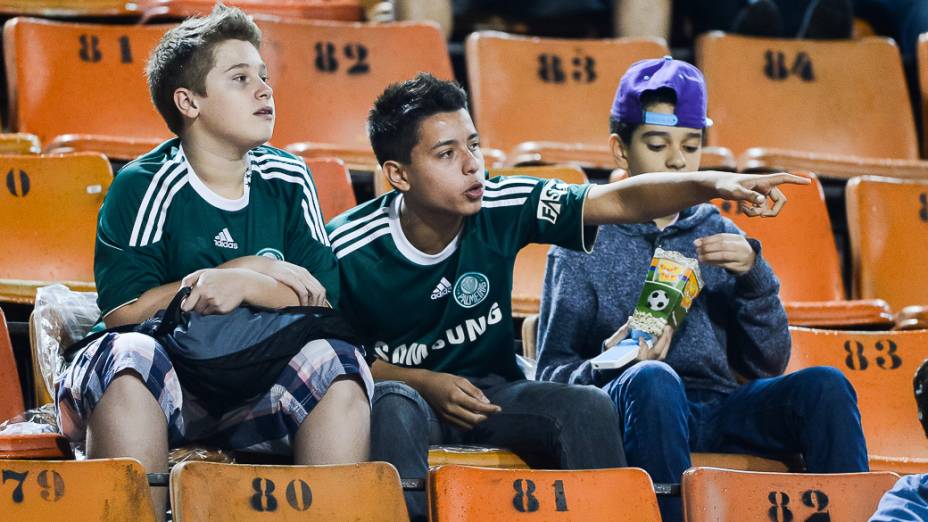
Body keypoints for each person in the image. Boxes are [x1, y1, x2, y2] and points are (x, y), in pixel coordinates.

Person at [326, 71, 809, 521]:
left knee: (586, 406)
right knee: (391, 404)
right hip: (413, 398)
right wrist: (427, 382)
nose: (474, 165)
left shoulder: (501, 202)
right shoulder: (348, 247)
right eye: (447, 154)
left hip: (494, 392)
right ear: (399, 174)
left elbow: (616, 200)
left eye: (473, 144)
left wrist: (712, 184)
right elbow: (328, 356)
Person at [55, 6, 371, 520]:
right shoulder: (145, 184)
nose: (265, 90)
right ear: (189, 101)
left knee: (338, 364)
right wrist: (231, 273)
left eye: (264, 77)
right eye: (240, 78)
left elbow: (322, 301)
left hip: (252, 380)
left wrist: (247, 281)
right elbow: (124, 314)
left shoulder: (291, 178)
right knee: (130, 358)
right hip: (167, 377)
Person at [534, 56, 869, 522]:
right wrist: (610, 360)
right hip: (631, 404)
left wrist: (754, 275)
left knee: (826, 386)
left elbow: (767, 362)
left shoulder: (718, 229)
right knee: (655, 378)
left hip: (718, 407)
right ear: (620, 149)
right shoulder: (581, 241)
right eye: (657, 144)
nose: (676, 160)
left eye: (690, 147)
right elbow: (551, 376)